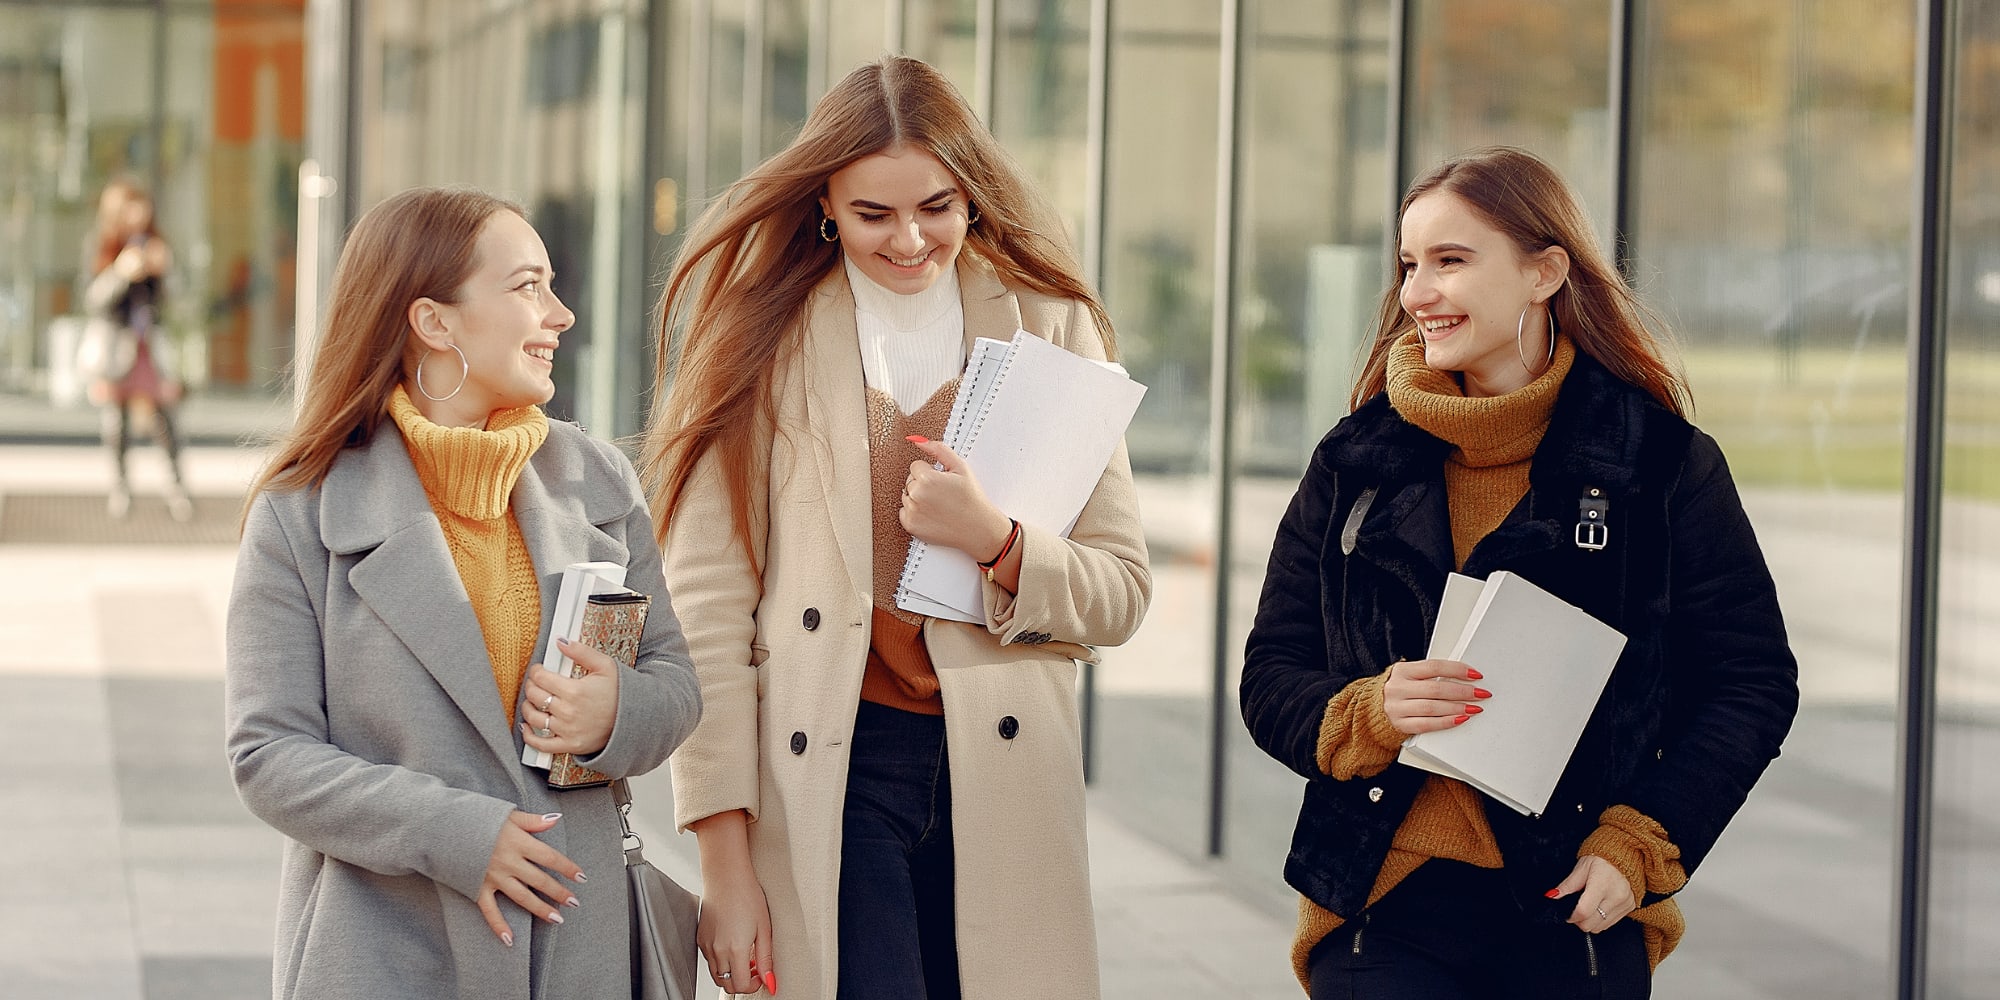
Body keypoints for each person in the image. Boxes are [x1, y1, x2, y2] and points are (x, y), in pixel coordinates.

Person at [640, 56, 1151, 1000]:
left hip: (1001, 776)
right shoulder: (758, 333)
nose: (911, 239)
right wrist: (724, 862)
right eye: (874, 214)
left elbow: (1119, 590)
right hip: (834, 766)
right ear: (825, 202)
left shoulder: (1051, 322)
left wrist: (995, 539)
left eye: (939, 207)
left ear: (974, 195)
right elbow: (705, 613)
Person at [1238, 146, 1799, 999]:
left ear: (1544, 272)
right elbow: (1270, 676)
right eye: (1409, 264)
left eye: (1451, 261)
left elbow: (1750, 682)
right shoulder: (1356, 460)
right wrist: (1369, 710)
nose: (1417, 293)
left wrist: (1639, 844)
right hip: (1381, 909)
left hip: (1572, 907)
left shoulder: (1660, 464)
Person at [224, 186, 703, 1000]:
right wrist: (454, 831)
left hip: (577, 948)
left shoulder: (598, 481)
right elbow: (269, 754)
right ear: (433, 321)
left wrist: (614, 712)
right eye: (527, 287)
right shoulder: (300, 512)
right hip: (387, 949)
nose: (560, 314)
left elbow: (676, 685)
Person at [81, 178, 190, 520]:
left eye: (142, 205)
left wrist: (165, 270)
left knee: (164, 419)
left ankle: (176, 487)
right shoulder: (102, 245)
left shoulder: (157, 245)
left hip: (149, 347)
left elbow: (180, 299)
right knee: (117, 421)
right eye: (131, 206)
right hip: (116, 346)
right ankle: (121, 488)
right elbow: (92, 301)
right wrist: (121, 273)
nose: (139, 213)